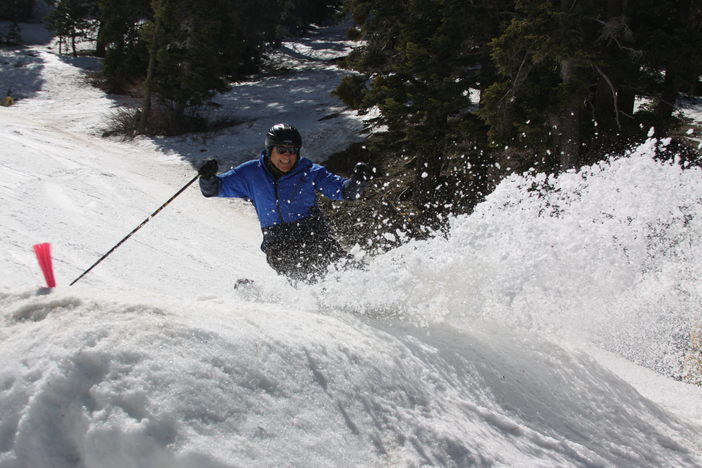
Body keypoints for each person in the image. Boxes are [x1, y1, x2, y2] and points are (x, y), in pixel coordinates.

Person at [198, 123, 373, 283]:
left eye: (293, 151)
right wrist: (207, 176)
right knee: (306, 275)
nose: (287, 157)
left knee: (345, 269)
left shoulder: (309, 171)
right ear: (270, 150)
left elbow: (343, 190)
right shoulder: (251, 173)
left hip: (312, 233)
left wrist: (358, 181)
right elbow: (213, 189)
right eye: (282, 150)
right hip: (277, 241)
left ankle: (372, 290)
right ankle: (305, 304)